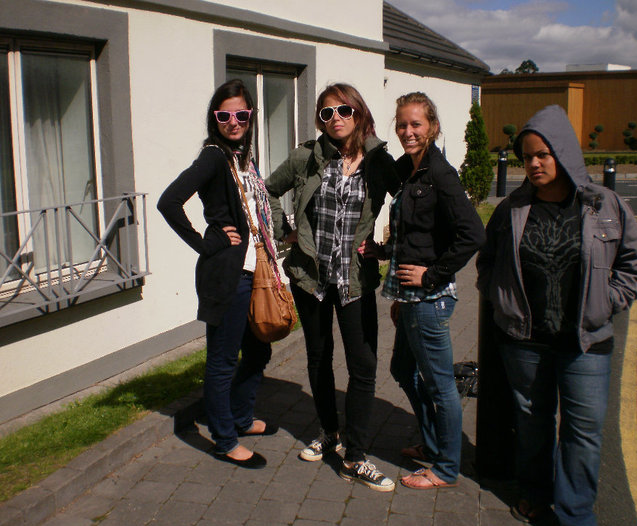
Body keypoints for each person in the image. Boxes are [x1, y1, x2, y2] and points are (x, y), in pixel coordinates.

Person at [476, 105, 637, 526]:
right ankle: (535, 494)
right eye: (527, 157)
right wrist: (502, 300)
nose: (534, 164)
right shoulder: (512, 208)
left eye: (543, 154)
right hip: (525, 341)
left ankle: (577, 516)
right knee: (532, 423)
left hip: (586, 342)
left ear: (564, 153)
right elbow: (487, 262)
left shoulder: (604, 205)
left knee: (583, 431)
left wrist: (608, 302)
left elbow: (634, 262)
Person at [264, 83, 399, 491]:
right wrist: (284, 230)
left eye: (344, 110)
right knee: (319, 358)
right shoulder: (306, 158)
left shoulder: (379, 161)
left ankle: (355, 457)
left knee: (363, 366)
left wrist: (389, 247)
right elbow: (267, 191)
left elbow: (412, 202)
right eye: (327, 113)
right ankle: (329, 433)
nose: (336, 118)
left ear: (359, 113)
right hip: (312, 279)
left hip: (354, 280)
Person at [362, 92, 485, 489]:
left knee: (440, 385)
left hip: (430, 299)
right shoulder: (409, 168)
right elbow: (412, 232)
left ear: (432, 127)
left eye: (416, 124)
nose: (408, 131)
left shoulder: (440, 174)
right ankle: (432, 444)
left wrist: (431, 276)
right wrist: (382, 252)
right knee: (402, 370)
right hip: (411, 297)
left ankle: (446, 467)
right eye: (402, 124)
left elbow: (473, 234)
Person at [157, 79, 280, 469]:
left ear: (250, 116)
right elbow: (169, 201)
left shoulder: (242, 158)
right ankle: (225, 440)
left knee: (258, 350)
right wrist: (205, 242)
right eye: (224, 116)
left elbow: (253, 212)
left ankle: (240, 418)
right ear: (215, 119)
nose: (234, 122)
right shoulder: (213, 157)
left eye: (241, 114)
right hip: (227, 275)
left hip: (252, 273)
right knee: (223, 360)